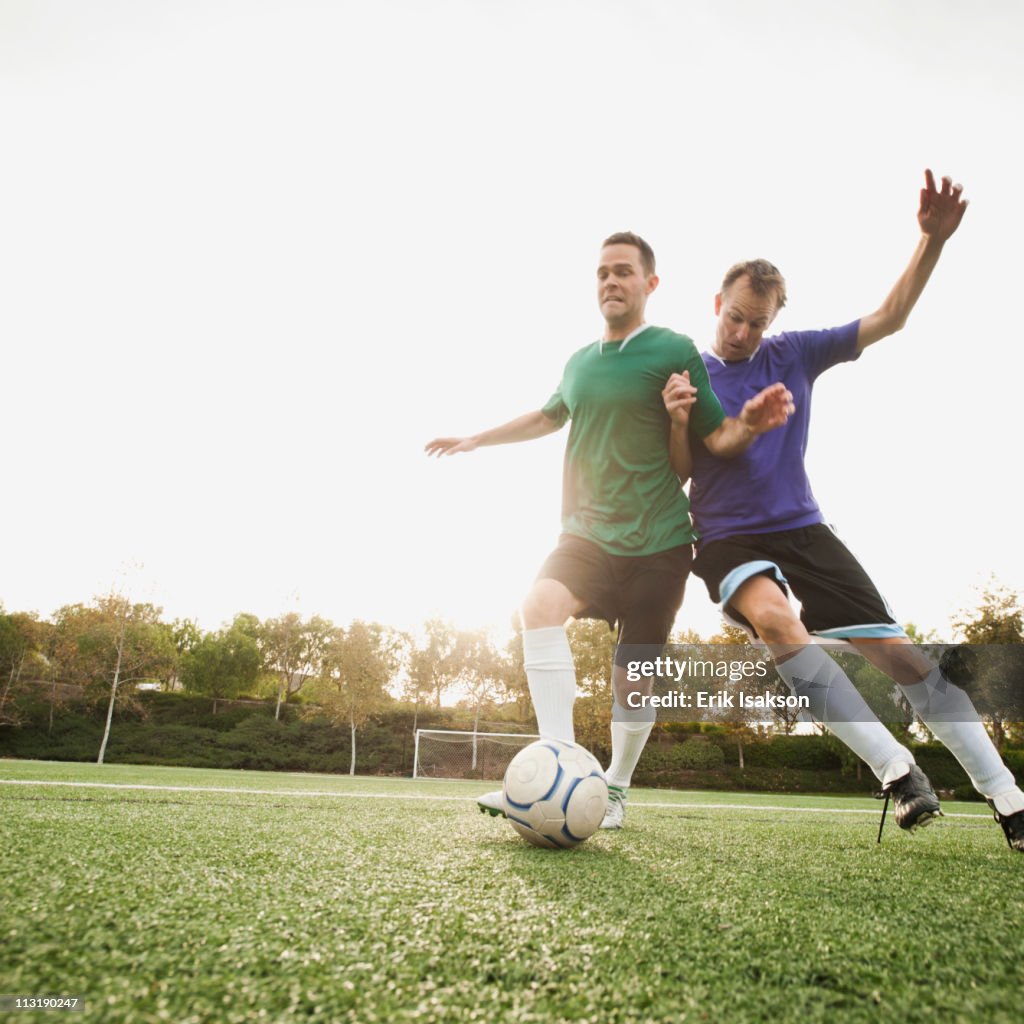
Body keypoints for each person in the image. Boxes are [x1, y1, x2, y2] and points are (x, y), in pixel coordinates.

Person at [670, 170, 1023, 851]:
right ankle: (897, 770)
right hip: (724, 536)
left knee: (907, 662)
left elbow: (890, 318)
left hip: (803, 527)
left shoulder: (795, 352)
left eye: (756, 321)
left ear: (774, 320)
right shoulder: (685, 371)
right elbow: (686, 461)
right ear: (716, 301)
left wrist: (931, 243)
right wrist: (705, 421)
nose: (742, 331)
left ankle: (1008, 799)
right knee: (776, 621)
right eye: (733, 315)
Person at [425, 232, 793, 828]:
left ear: (649, 284)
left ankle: (615, 789)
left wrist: (746, 425)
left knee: (633, 678)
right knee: (538, 605)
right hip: (587, 536)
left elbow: (710, 442)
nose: (610, 282)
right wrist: (476, 438)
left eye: (623, 272)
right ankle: (556, 767)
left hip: (660, 542)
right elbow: (546, 416)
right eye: (602, 273)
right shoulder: (578, 363)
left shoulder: (673, 349)